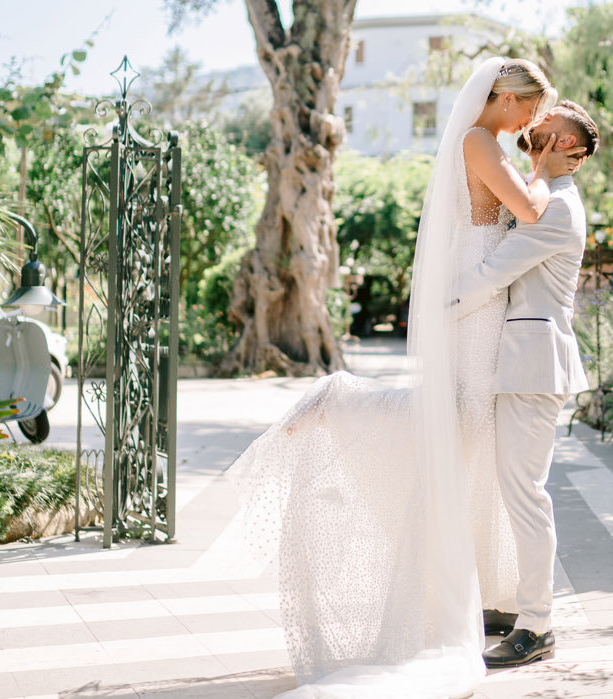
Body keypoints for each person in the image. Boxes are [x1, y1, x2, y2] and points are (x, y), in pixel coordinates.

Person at [225, 57, 582, 699]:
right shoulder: (480, 141)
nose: (531, 122)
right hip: (475, 307)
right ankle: (344, 399)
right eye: (530, 109)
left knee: (467, 450)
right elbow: (528, 213)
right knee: (450, 430)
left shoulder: (489, 143)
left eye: (540, 119)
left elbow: (528, 214)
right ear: (505, 97)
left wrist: (541, 159)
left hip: (488, 311)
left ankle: (482, 597)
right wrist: (541, 162)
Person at [453, 101, 598, 669]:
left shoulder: (559, 209)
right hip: (520, 362)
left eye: (549, 128)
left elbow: (496, 272)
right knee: (515, 489)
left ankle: (537, 626)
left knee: (526, 494)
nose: (536, 129)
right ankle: (518, 607)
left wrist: (440, 306)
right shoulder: (541, 199)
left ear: (572, 150)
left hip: (536, 365)